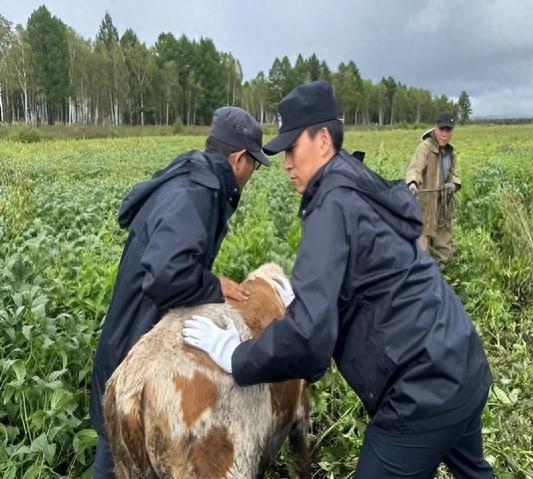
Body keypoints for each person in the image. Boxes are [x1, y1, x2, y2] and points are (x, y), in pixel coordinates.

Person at [183, 81, 494, 478]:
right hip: (462, 356)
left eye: (293, 148)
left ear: (323, 140)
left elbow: (309, 337)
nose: (287, 164)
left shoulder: (330, 205)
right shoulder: (356, 181)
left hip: (422, 389)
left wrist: (236, 356)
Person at [90, 106, 270, 478]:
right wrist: (213, 285)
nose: (253, 173)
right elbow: (166, 276)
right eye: (254, 163)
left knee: (121, 458)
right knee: (119, 460)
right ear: (239, 159)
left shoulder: (192, 181)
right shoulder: (195, 194)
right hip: (134, 356)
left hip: (130, 344)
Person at [406, 111, 461, 264]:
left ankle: (443, 281)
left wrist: (453, 184)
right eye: (441, 130)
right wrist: (412, 183)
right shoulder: (424, 148)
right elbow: (414, 169)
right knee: (421, 257)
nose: (444, 134)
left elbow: (453, 175)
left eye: (448, 130)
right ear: (435, 128)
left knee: (445, 255)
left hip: (442, 212)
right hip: (423, 211)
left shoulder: (450, 153)